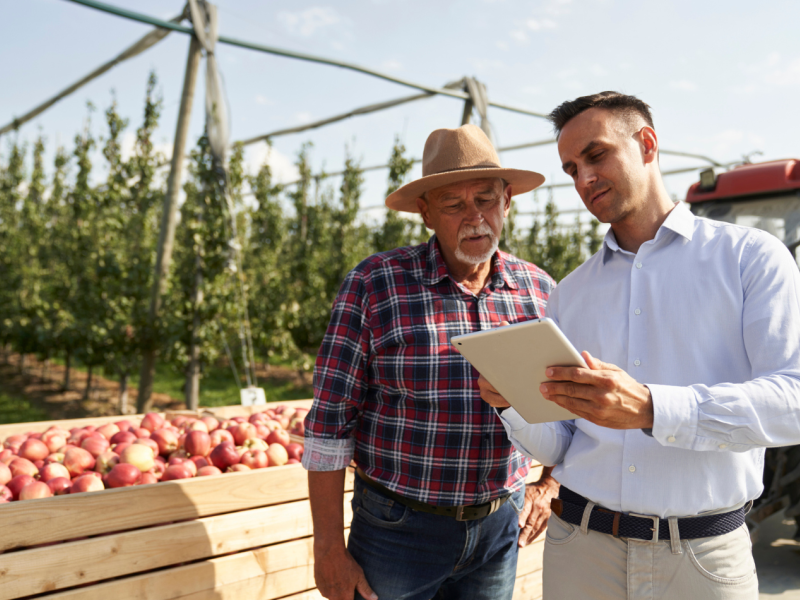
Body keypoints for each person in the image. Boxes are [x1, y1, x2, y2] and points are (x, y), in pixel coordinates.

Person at [479, 91, 800, 599]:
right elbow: (563, 444)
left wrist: (652, 408)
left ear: (647, 144)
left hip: (701, 560)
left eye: (596, 155)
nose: (583, 179)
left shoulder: (750, 259)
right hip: (580, 551)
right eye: (570, 168)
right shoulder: (571, 292)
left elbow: (794, 402)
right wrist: (513, 404)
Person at [302, 124, 560, 600]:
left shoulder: (539, 291)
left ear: (507, 200)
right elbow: (328, 425)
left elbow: (573, 405)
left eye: (485, 199)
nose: (474, 217)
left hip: (499, 528)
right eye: (453, 205)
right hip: (398, 530)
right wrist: (326, 550)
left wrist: (550, 485)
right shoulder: (375, 286)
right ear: (425, 212)